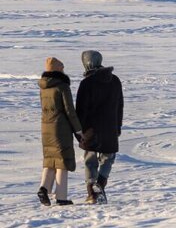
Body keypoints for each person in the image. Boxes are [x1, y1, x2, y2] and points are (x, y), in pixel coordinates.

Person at [75, 50, 124, 202]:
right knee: (108, 159)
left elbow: (81, 110)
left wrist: (78, 132)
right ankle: (100, 185)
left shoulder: (86, 83)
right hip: (110, 129)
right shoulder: (115, 80)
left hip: (90, 131)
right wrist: (117, 127)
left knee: (90, 161)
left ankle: (92, 193)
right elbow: (119, 106)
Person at [38, 57, 82, 206]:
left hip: (46, 127)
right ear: (58, 69)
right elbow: (70, 111)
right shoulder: (62, 87)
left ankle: (43, 188)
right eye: (62, 68)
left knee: (50, 159)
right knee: (62, 161)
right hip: (60, 128)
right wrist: (78, 131)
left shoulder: (43, 87)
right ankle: (61, 197)